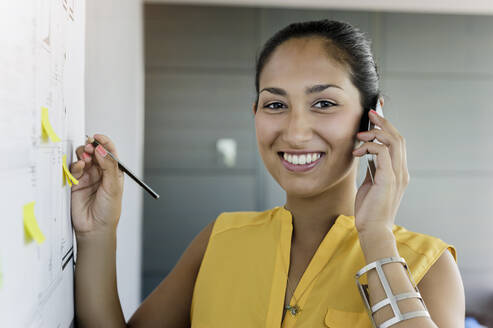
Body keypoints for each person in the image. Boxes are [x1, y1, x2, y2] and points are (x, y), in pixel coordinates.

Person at [70, 19, 465, 327]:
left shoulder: (428, 265)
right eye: (275, 105)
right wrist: (97, 233)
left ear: (372, 116)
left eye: (324, 103)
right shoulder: (219, 240)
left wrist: (376, 234)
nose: (294, 132)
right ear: (255, 114)